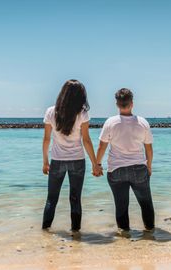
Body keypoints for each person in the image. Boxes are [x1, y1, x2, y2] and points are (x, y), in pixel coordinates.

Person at [42, 79, 101, 231]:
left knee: (51, 199)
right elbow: (86, 140)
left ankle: (45, 231)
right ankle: (76, 233)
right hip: (77, 161)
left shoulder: (50, 112)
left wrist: (45, 161)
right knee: (75, 199)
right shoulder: (82, 113)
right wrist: (95, 163)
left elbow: (47, 139)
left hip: (57, 161)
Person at [96, 88, 155, 232]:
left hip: (117, 170)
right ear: (132, 104)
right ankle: (150, 232)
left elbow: (102, 146)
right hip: (139, 168)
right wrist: (149, 166)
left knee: (121, 205)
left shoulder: (110, 122)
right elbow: (148, 149)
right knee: (146, 203)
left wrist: (97, 164)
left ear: (117, 104)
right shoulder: (142, 122)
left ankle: (124, 237)